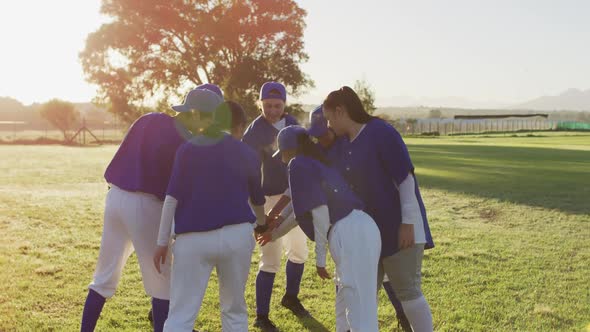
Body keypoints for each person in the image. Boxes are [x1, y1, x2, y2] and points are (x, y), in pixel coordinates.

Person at [80, 87, 222, 332]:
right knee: (162, 284)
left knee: (103, 278)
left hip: (115, 197)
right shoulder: (187, 143)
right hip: (147, 206)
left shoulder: (149, 118)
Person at [322, 86, 435, 332]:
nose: (328, 124)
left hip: (399, 227)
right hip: (367, 234)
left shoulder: (381, 132)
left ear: (341, 111)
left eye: (329, 117)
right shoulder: (342, 143)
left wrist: (408, 224)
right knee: (362, 293)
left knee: (407, 291)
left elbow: (405, 179)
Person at [153, 100, 266, 331]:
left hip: (193, 238)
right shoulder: (247, 152)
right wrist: (262, 226)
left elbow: (171, 199)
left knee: (181, 314)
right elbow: (257, 201)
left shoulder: (187, 149)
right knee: (234, 311)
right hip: (237, 235)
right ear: (239, 127)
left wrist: (161, 241)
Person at [258, 125, 381, 332]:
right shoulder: (315, 162)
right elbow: (298, 206)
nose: (282, 159)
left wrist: (320, 259)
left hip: (347, 230)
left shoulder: (297, 164)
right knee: (347, 295)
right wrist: (276, 227)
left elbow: (318, 212)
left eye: (284, 153)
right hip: (362, 225)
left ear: (291, 149)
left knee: (357, 302)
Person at [242, 82, 309, 331]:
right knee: (269, 257)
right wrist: (259, 212)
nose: (272, 110)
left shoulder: (294, 124)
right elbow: (251, 177)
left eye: (277, 105)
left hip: (296, 197)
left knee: (300, 251)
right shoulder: (253, 133)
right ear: (260, 104)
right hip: (269, 199)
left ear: (284, 104)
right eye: (267, 105)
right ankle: (262, 315)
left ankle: (291, 297)